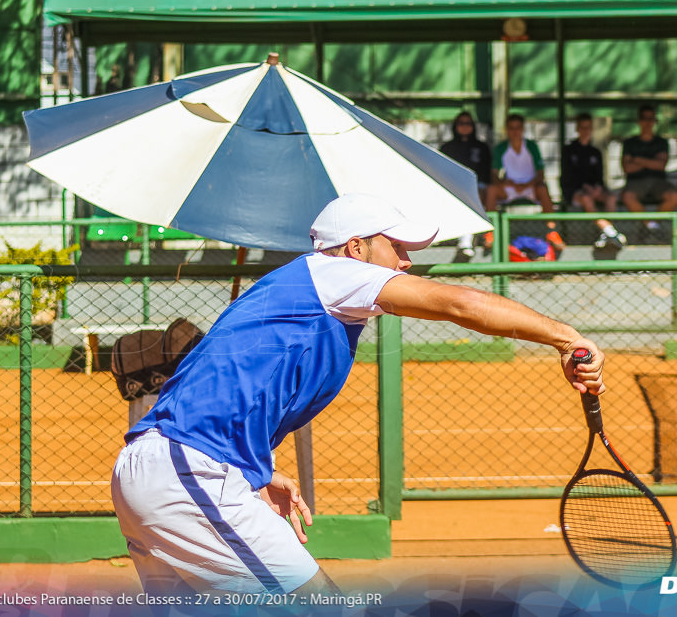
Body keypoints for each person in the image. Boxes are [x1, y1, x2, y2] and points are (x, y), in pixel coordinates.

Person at [111, 193, 607, 598]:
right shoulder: (331, 276)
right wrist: (568, 338)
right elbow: (461, 304)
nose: (407, 262)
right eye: (396, 248)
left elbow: (228, 384)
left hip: (170, 468)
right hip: (187, 472)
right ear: (355, 249)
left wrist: (256, 468)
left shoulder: (297, 292)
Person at [486, 114, 563, 253]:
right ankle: (490, 232)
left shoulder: (532, 146)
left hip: (531, 187)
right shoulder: (501, 148)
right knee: (491, 189)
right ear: (506, 130)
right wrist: (506, 183)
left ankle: (552, 231)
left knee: (543, 189)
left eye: (518, 128)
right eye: (511, 128)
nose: (515, 132)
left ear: (523, 129)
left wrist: (528, 184)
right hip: (510, 187)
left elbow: (540, 173)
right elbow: (494, 174)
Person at [560, 112, 626, 251]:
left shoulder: (595, 152)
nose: (585, 131)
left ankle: (605, 233)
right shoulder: (569, 150)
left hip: (593, 190)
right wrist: (585, 187)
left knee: (611, 197)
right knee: (586, 198)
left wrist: (597, 188)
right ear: (577, 129)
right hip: (574, 191)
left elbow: (599, 177)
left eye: (588, 127)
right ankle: (611, 232)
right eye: (582, 127)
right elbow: (567, 177)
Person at [620, 104, 677, 230]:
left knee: (674, 196)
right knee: (627, 196)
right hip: (635, 182)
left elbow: (661, 165)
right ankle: (648, 225)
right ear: (639, 121)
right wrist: (651, 161)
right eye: (644, 118)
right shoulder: (630, 143)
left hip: (658, 182)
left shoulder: (661, 142)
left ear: (655, 121)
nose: (647, 123)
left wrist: (637, 159)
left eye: (650, 119)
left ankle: (653, 226)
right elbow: (627, 168)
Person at [439, 111, 491, 258]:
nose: (464, 127)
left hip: (476, 188)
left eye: (468, 123)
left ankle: (466, 240)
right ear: (455, 126)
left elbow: (487, 173)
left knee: (474, 194)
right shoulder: (447, 148)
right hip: (453, 188)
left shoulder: (481, 147)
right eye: (461, 123)